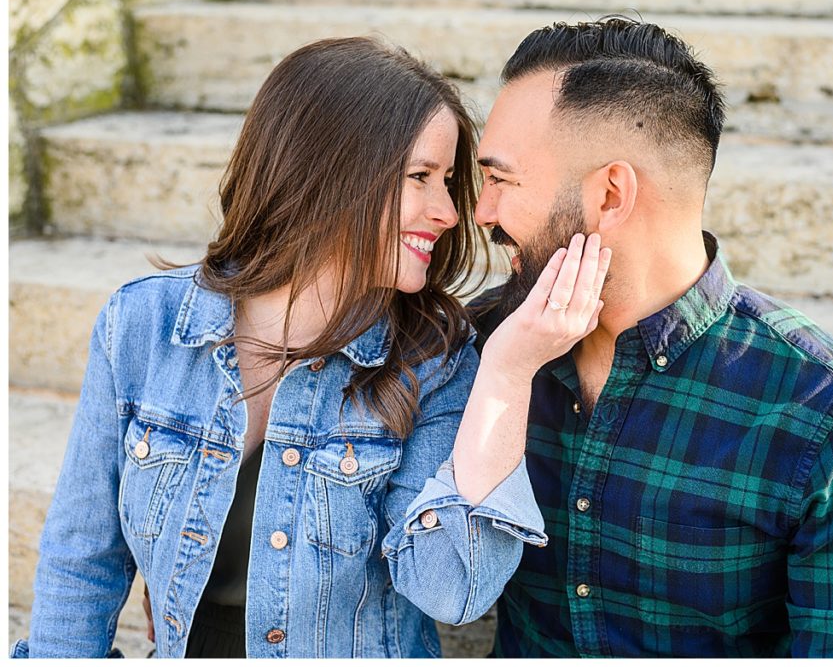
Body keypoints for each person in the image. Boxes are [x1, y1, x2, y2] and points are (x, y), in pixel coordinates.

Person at [12, 37, 610, 659]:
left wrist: (509, 372)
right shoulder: (142, 325)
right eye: (420, 178)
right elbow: (81, 563)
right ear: (328, 173)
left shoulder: (432, 358)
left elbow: (453, 591)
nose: (449, 213)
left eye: (449, 181)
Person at [469, 18, 833, 658]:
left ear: (609, 194)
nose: (482, 212)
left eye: (501, 180)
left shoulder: (827, 412)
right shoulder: (485, 347)